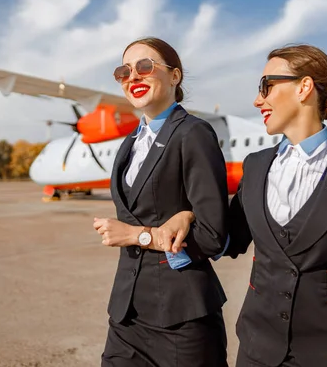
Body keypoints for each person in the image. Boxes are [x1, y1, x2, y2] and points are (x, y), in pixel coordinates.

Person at [227, 45, 327, 367]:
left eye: (266, 86)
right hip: (256, 350)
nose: (257, 100)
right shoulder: (256, 165)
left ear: (304, 87)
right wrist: (181, 218)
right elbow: (226, 237)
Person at [93, 37, 229, 367]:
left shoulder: (193, 133)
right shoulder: (130, 144)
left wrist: (137, 235)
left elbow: (213, 235)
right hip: (127, 316)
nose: (132, 77)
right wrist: (184, 213)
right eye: (124, 71)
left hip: (181, 319)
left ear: (174, 76)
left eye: (144, 67)